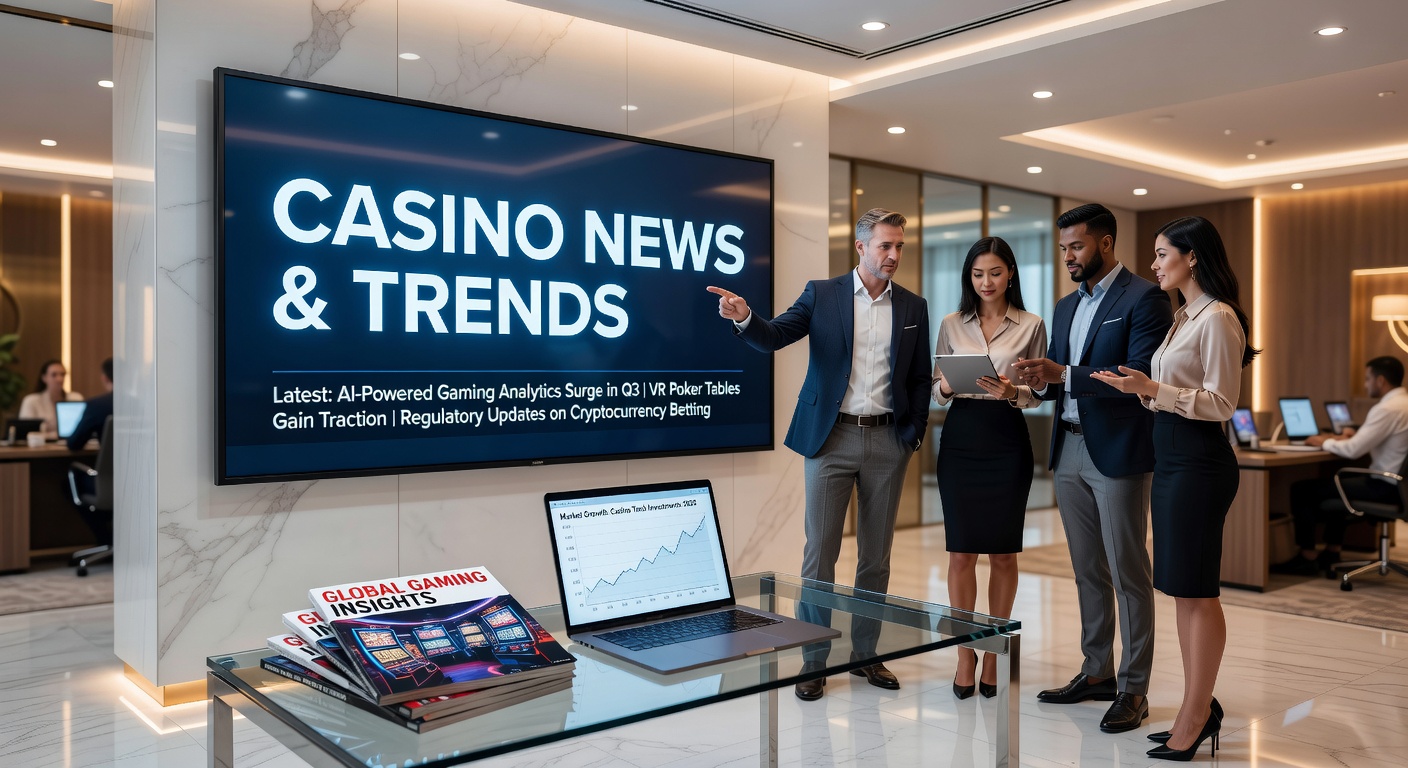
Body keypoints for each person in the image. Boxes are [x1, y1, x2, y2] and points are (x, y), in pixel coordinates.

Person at [706, 207, 931, 701]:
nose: (893, 255)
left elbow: (918, 377)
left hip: (888, 441)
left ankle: (867, 657)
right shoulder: (823, 294)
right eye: (884, 246)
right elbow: (775, 335)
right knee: (819, 555)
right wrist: (745, 317)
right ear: (861, 247)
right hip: (829, 440)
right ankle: (812, 662)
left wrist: (911, 434)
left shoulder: (913, 306)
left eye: (899, 247)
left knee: (876, 558)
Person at [1091, 215, 1257, 760]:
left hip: (1201, 464)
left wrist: (1153, 387)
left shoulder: (1219, 318)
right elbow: (1169, 390)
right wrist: (1140, 390)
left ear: (1192, 257)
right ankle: (1197, 706)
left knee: (1198, 592)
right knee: (1184, 591)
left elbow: (1222, 404)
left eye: (1163, 254)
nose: (1155, 264)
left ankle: (1195, 712)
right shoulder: (1183, 317)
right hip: (1174, 459)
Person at [1011, 203, 1173, 734]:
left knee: (1129, 570)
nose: (1068, 257)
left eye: (1076, 247)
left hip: (1119, 451)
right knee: (1086, 570)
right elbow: (1057, 377)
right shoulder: (1064, 306)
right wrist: (1031, 385)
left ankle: (1134, 687)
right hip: (1069, 450)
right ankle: (1097, 670)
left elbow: (1139, 373)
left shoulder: (1145, 298)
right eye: (1062, 249)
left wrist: (1065, 373)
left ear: (1105, 243)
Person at [931, 236, 1047, 700]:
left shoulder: (1032, 325)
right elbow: (935, 387)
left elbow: (1037, 394)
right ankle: (964, 654)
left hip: (1006, 437)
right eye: (977, 274)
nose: (986, 282)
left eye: (995, 273)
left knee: (1003, 553)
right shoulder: (950, 323)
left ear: (1011, 274)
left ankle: (995, 654)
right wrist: (944, 385)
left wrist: (1011, 393)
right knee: (961, 554)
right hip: (960, 437)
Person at [1270, 356, 1408, 576]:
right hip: (1398, 487)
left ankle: (1306, 557)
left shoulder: (1387, 409)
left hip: (1384, 487)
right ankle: (1332, 552)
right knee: (1337, 484)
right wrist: (1356, 434)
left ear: (1380, 381)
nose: (1365, 385)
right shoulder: (1403, 404)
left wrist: (1322, 440)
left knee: (1303, 490)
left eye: (1367, 379)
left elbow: (1353, 450)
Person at [18, 359, 84, 438]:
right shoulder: (31, 401)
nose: (59, 379)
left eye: (63, 375)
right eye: (54, 375)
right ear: (44, 378)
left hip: (70, 444)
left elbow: (82, 427)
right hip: (40, 446)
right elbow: (26, 431)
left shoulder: (75, 398)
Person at [67, 358, 115, 452]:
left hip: (107, 465)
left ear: (104, 378)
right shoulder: (139, 404)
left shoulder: (96, 405)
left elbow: (75, 443)